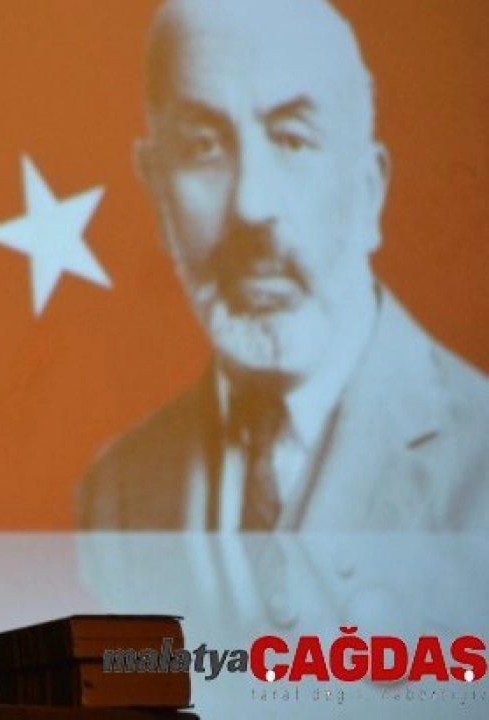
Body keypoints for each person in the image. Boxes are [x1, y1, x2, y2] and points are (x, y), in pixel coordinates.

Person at [76, 0, 489, 531]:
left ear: (369, 192)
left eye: (293, 139)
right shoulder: (115, 493)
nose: (252, 205)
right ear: (157, 194)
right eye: (204, 146)